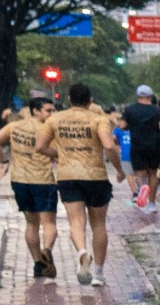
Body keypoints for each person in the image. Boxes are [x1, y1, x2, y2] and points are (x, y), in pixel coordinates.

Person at [42, 83, 122, 287]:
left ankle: (81, 251)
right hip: (96, 176)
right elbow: (109, 145)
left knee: (76, 222)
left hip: (68, 176)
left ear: (69, 99)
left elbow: (40, 146)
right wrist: (119, 169)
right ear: (90, 100)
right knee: (99, 225)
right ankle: (99, 275)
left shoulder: (55, 119)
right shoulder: (99, 119)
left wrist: (60, 155)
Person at [0, 95, 59, 276]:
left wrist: (4, 161)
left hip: (20, 181)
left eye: (53, 110)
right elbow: (56, 153)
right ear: (35, 111)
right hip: (43, 180)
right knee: (49, 222)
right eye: (48, 110)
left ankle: (38, 263)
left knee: (31, 223)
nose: (52, 114)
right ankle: (47, 251)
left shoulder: (14, 127)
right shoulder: (48, 130)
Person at [121, 86, 160, 211]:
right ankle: (152, 203)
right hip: (154, 146)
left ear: (138, 96)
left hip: (137, 146)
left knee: (140, 173)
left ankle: (142, 189)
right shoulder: (158, 111)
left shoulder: (130, 110)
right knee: (153, 173)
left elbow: (122, 125)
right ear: (150, 96)